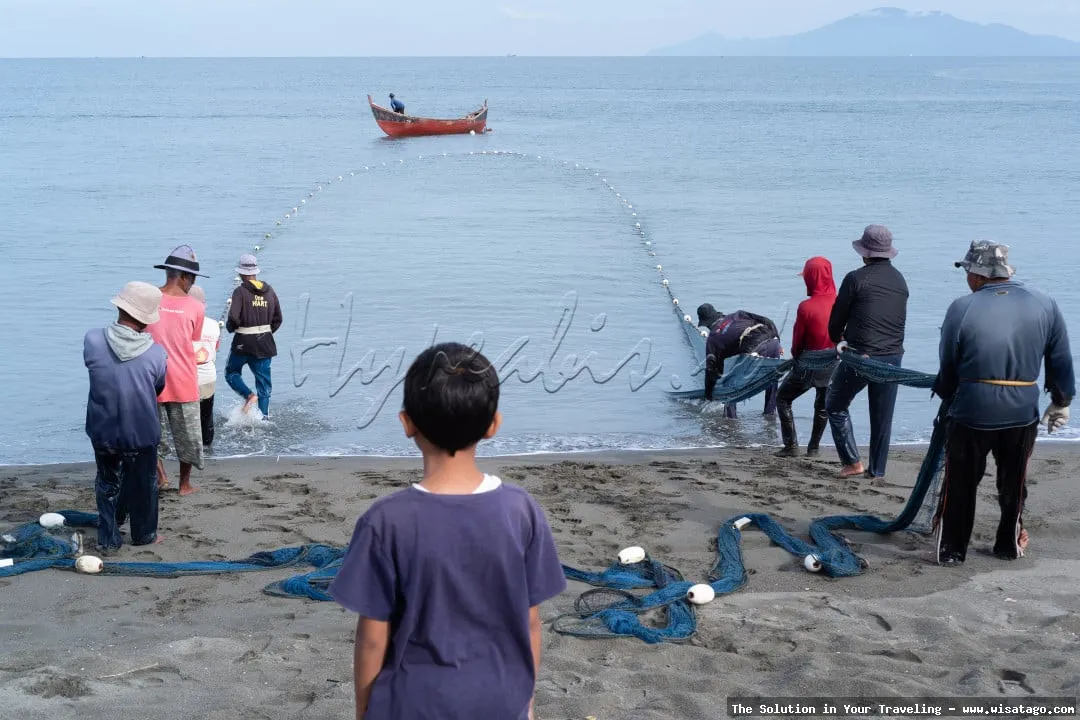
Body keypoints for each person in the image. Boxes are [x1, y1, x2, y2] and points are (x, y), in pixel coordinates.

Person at [328, 342, 566, 720]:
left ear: (407, 423)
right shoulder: (521, 511)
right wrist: (526, 701)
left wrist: (364, 711)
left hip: (415, 701)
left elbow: (373, 638)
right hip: (501, 699)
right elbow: (530, 621)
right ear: (493, 425)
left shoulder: (386, 521)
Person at [932, 241, 1073, 567]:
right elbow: (1060, 357)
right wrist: (1061, 400)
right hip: (1022, 410)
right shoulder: (1045, 303)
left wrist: (945, 393)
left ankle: (952, 551)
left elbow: (948, 366)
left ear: (978, 275)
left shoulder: (961, 307)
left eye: (967, 270)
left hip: (972, 411)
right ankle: (1008, 544)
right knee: (1014, 480)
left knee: (962, 482)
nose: (966, 277)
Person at [84, 282, 168, 552]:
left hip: (103, 427)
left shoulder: (93, 339)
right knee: (144, 483)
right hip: (141, 431)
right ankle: (144, 535)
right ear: (146, 320)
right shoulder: (156, 353)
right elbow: (158, 386)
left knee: (107, 481)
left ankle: (109, 537)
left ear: (120, 307)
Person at [825, 224, 908, 479]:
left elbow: (836, 320)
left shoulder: (856, 278)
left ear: (865, 253)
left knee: (835, 404)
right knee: (882, 417)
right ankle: (878, 470)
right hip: (893, 357)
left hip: (861, 356)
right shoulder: (900, 280)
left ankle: (852, 462)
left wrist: (837, 340)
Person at [147, 245, 208, 496]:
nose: (191, 284)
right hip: (184, 379)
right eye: (191, 279)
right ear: (184, 277)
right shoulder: (197, 307)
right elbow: (192, 341)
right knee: (189, 438)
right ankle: (184, 484)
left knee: (151, 437)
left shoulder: (148, 300)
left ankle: (161, 477)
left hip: (151, 379)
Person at [776, 256, 838, 457]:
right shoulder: (840, 302)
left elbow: (797, 342)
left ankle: (791, 446)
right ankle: (813, 449)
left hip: (808, 364)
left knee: (783, 399)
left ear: (811, 278)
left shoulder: (806, 307)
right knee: (822, 406)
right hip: (833, 363)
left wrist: (796, 359)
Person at [697, 303, 782, 419]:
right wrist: (778, 341)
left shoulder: (713, 338)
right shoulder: (738, 314)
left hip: (754, 350)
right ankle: (770, 415)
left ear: (706, 323)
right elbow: (768, 321)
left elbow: (711, 369)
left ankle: (730, 421)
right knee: (772, 377)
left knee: (729, 383)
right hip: (773, 343)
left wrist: (708, 394)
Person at [225, 254, 282, 419]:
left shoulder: (240, 292)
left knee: (232, 372)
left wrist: (231, 327)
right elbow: (278, 319)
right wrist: (264, 332)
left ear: (241, 273)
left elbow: (234, 317)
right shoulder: (270, 291)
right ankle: (263, 417)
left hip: (243, 342)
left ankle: (249, 395)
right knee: (264, 383)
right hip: (265, 343)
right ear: (255, 272)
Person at [188, 285, 220, 448]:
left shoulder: (183, 323)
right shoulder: (214, 325)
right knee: (206, 416)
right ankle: (207, 448)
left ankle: (189, 449)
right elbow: (216, 348)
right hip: (208, 376)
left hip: (187, 377)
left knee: (185, 418)